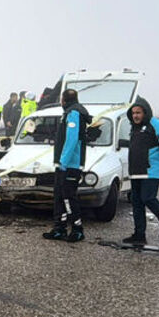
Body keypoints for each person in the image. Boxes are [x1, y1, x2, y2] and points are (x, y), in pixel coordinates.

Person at [123, 97, 159, 245]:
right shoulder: (134, 127)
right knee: (137, 202)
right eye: (133, 113)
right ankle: (139, 235)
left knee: (148, 198)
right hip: (136, 170)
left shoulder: (156, 124)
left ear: (145, 112)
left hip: (151, 170)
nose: (135, 116)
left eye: (138, 112)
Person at [43, 89, 91, 242]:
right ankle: (59, 228)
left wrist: (64, 161)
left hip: (70, 165)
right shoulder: (69, 113)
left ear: (63, 100)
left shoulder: (74, 114)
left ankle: (77, 229)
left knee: (68, 197)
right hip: (63, 164)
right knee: (58, 196)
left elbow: (71, 140)